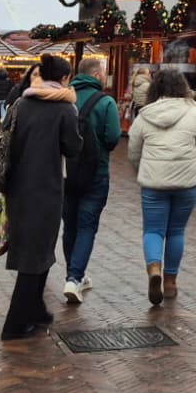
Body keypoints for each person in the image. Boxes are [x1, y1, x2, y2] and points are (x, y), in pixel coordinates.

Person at [0, 55, 82, 341]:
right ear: (64, 79)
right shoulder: (64, 109)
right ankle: (15, 323)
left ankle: (35, 311)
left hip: (17, 187)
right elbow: (73, 147)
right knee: (36, 255)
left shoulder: (21, 104)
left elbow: (4, 135)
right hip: (46, 189)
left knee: (34, 250)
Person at [128, 67, 196, 306]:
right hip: (187, 182)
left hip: (153, 182)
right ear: (182, 87)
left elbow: (133, 151)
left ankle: (154, 269)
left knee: (153, 230)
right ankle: (170, 282)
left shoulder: (144, 115)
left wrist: (143, 170)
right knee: (176, 231)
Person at [61, 57, 123, 305]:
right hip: (96, 171)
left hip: (66, 171)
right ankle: (75, 278)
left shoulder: (65, 98)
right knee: (87, 225)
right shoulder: (106, 101)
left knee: (70, 225)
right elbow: (113, 137)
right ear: (97, 74)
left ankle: (73, 275)